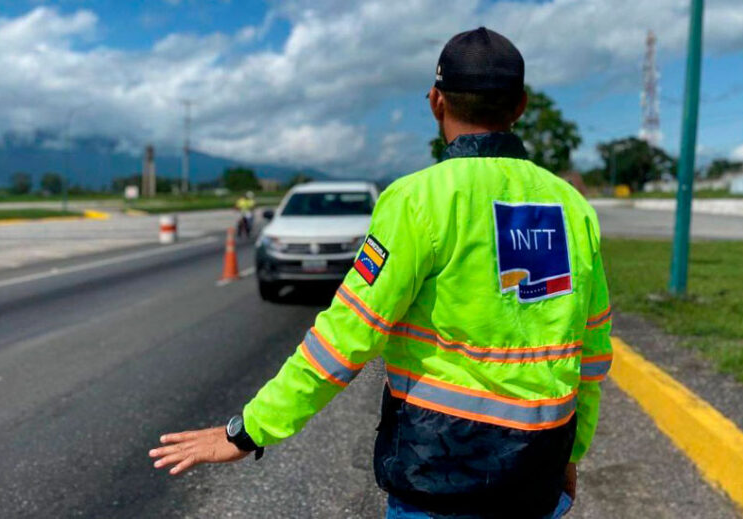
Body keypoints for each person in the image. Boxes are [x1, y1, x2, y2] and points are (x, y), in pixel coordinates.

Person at [149, 27, 612, 519]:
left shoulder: (417, 201)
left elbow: (344, 339)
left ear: (436, 101)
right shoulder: (572, 207)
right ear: (520, 106)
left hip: (440, 480)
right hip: (537, 481)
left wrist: (249, 430)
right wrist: (572, 452)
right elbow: (593, 352)